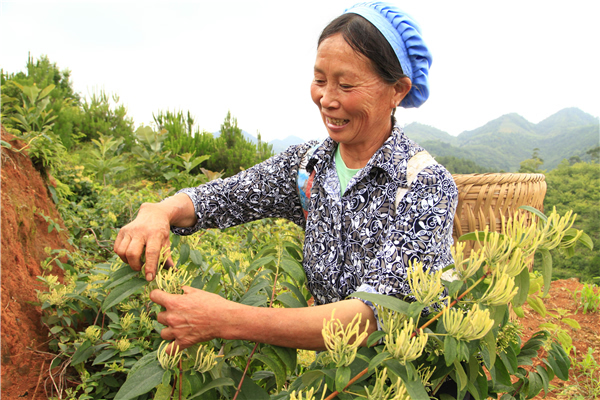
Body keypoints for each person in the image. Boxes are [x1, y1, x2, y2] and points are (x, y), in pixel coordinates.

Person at [114, 2, 458, 352]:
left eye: (346, 85)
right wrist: (160, 211)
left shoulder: (425, 185)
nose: (326, 99)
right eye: (320, 80)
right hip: (340, 373)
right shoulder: (308, 165)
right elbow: (223, 198)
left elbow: (375, 319)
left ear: (397, 90)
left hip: (411, 375)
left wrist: (225, 319)